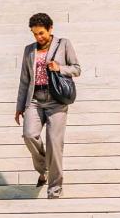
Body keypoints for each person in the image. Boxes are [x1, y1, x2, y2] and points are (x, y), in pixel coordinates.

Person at [14, 12, 81, 198]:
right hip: (34, 99)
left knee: (54, 144)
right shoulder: (29, 50)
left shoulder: (64, 44)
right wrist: (20, 106)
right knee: (29, 135)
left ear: (50, 29)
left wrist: (60, 68)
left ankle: (55, 189)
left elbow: (77, 69)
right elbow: (24, 80)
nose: (38, 37)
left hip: (56, 100)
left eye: (41, 33)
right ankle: (43, 168)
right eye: (35, 34)